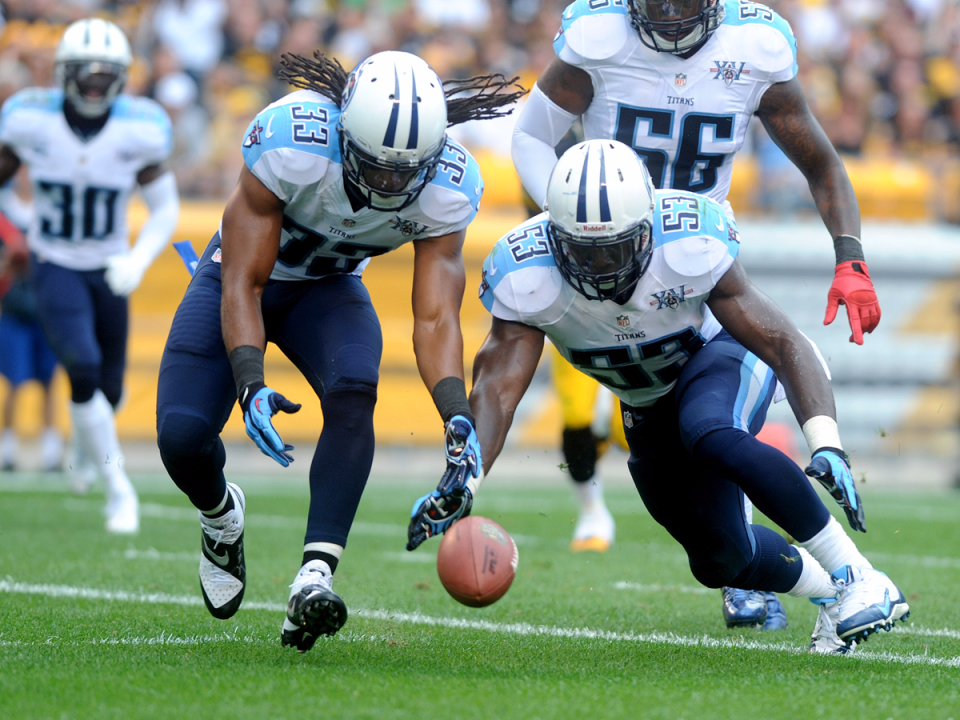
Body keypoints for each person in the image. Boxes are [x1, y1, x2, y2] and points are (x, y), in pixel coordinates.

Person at [410, 139, 907, 654]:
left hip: (722, 355)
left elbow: (781, 341)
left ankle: (861, 575)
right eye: (585, 250)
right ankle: (831, 594)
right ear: (556, 238)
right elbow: (496, 390)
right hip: (646, 400)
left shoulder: (687, 240)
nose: (601, 266)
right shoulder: (525, 273)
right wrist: (466, 478)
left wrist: (824, 439)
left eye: (614, 248)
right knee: (719, 559)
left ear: (646, 227)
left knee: (710, 431)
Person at [510, 0, 883, 629]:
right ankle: (768, 573)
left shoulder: (756, 46)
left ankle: (855, 577)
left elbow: (821, 162)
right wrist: (571, 220)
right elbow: (529, 135)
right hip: (602, 265)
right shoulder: (599, 38)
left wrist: (851, 259)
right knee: (709, 546)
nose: (671, 15)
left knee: (710, 427)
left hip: (693, 267)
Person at [154, 49, 524, 652]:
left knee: (355, 389)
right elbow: (245, 282)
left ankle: (314, 575)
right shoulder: (291, 141)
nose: (389, 184)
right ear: (343, 130)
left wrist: (456, 415)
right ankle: (221, 515)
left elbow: (434, 318)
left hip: (327, 291)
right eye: (376, 167)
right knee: (181, 437)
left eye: (406, 172)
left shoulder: (450, 185)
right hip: (238, 281)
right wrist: (250, 379)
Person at [0, 18, 180, 533]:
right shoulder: (29, 121)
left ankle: (83, 450)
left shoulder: (137, 129)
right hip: (54, 260)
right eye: (88, 74)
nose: (97, 85)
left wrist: (136, 261)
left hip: (108, 265)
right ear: (64, 75)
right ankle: (118, 488)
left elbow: (165, 210)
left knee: (110, 388)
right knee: (81, 369)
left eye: (107, 75)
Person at [0, 209, 62, 472]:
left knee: (48, 382)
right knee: (15, 381)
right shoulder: (5, 215)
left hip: (44, 311)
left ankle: (51, 450)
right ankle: (8, 449)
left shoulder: (51, 213)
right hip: (14, 313)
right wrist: (9, 260)